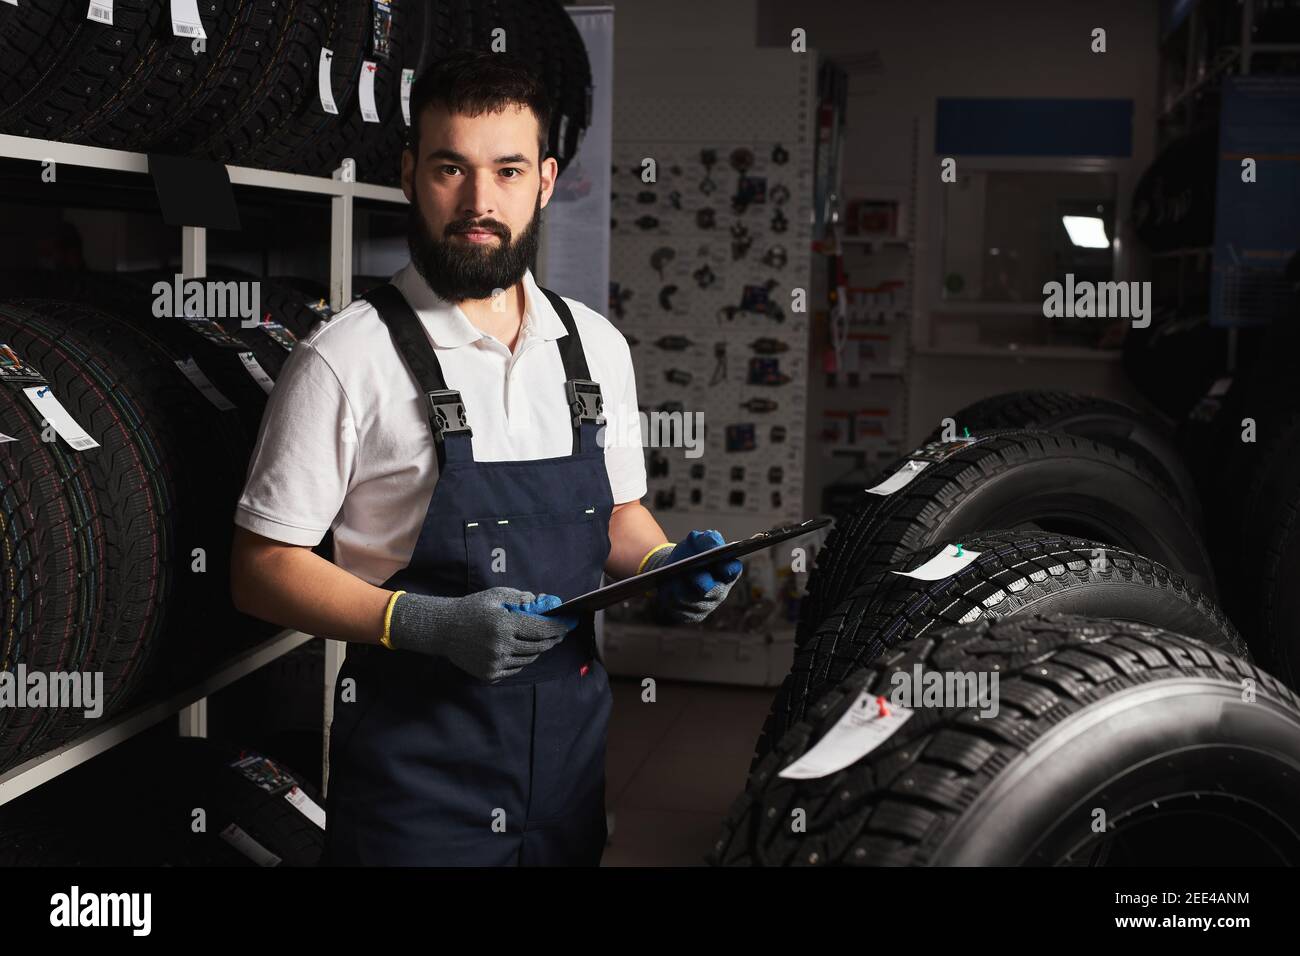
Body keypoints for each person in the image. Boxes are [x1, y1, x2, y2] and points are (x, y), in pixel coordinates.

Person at [229, 49, 742, 866]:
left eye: (506, 170)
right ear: (409, 175)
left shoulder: (595, 347)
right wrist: (419, 622)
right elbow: (260, 566)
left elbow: (613, 512)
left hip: (569, 770)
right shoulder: (346, 357)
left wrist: (667, 564)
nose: (478, 202)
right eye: (449, 169)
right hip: (415, 789)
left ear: (544, 179)